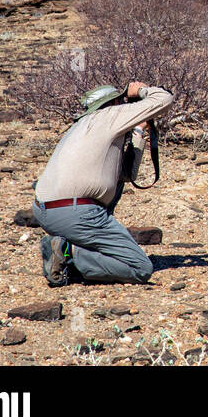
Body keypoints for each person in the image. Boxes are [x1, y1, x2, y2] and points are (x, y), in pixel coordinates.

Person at [32, 81, 173, 286]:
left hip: (46, 212)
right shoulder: (107, 117)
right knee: (140, 268)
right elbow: (164, 99)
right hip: (76, 213)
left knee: (114, 190)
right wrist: (139, 90)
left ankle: (67, 252)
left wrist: (138, 133)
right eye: (121, 101)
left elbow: (125, 175)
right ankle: (67, 251)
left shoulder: (81, 126)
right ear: (113, 103)